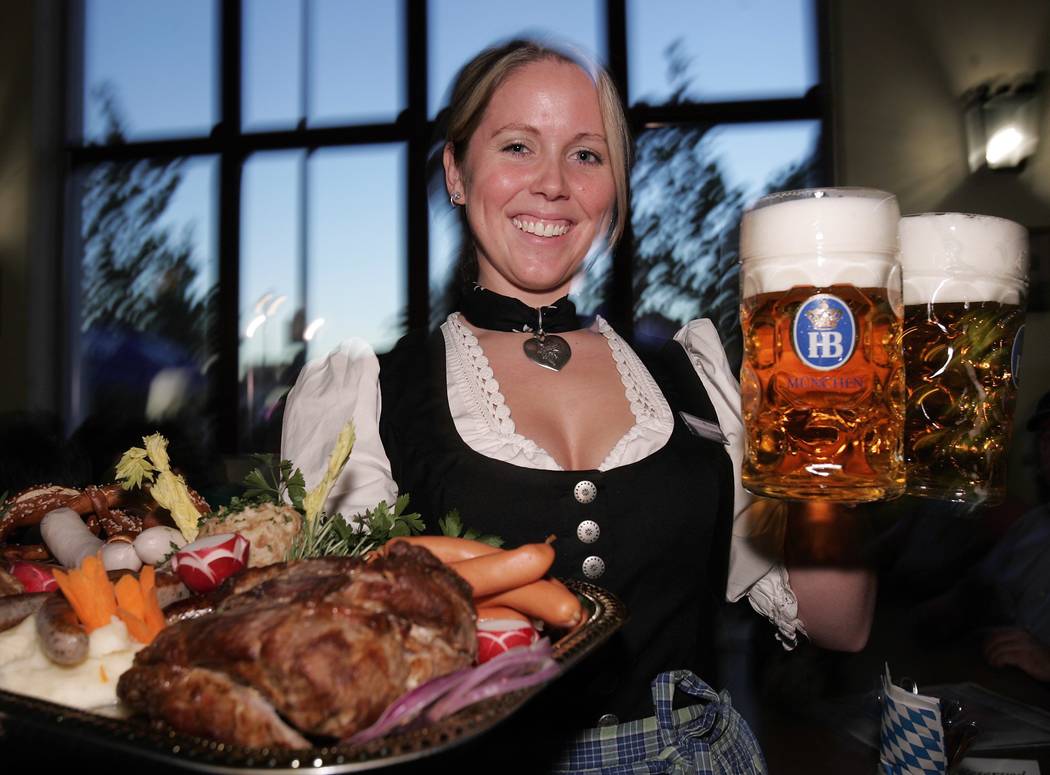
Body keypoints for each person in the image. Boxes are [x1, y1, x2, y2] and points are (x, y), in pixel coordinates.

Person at [282, 39, 874, 766]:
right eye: (518, 146)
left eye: (587, 155)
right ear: (457, 172)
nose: (554, 184)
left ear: (616, 187)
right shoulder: (369, 395)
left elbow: (842, 624)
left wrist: (826, 426)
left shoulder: (694, 381)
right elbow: (336, 675)